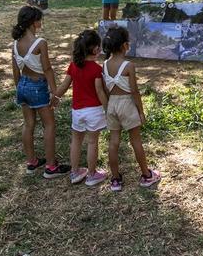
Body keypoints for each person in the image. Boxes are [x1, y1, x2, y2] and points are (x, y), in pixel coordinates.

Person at [11, 5, 70, 178]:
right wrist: (54, 92)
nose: (41, 22)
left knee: (28, 124)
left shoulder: (15, 44)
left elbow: (15, 70)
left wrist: (19, 88)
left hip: (22, 85)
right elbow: (47, 69)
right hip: (38, 86)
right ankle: (51, 166)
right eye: (39, 20)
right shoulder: (40, 43)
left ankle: (31, 161)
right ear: (33, 22)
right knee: (49, 124)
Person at [101, 26, 161, 191]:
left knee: (113, 142)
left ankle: (115, 179)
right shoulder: (128, 66)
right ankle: (146, 175)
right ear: (124, 45)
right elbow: (134, 91)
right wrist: (140, 111)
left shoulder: (104, 65)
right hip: (127, 104)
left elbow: (106, 89)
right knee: (135, 141)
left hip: (112, 104)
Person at [55, 29, 109, 187]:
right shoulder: (97, 69)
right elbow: (100, 91)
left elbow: (64, 85)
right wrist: (108, 109)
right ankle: (92, 174)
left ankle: (75, 172)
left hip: (77, 111)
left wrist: (55, 98)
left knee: (76, 140)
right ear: (95, 49)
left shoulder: (73, 66)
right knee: (92, 142)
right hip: (94, 111)